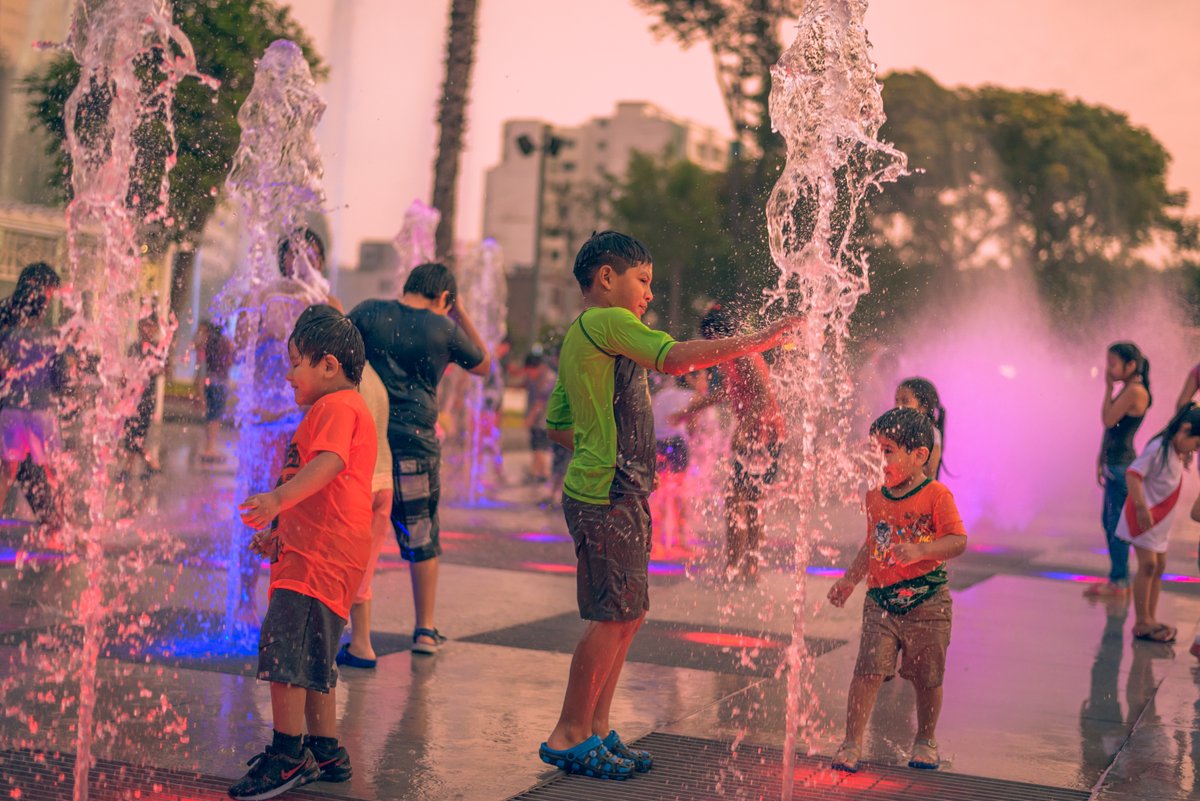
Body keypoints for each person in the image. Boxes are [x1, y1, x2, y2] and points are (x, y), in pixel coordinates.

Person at [538, 231, 803, 779]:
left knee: (628, 616)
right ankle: (568, 732)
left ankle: (598, 726)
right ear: (607, 279)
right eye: (643, 281)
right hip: (609, 495)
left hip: (615, 490)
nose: (649, 295)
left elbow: (558, 425)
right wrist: (754, 341)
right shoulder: (608, 321)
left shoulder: (579, 335)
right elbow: (675, 358)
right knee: (612, 618)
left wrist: (602, 450)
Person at [229, 304, 376, 800]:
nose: (289, 374)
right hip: (319, 551)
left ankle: (288, 755)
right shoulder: (340, 408)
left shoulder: (335, 408)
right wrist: (278, 528)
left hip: (318, 557)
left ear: (329, 365)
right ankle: (327, 750)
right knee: (314, 657)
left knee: (285, 651)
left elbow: (329, 465)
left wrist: (276, 500)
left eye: (296, 363)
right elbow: (315, 481)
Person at [349, 262, 490, 655]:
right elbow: (483, 364)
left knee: (361, 535)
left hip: (369, 442)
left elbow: (337, 348)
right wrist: (457, 313)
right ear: (444, 298)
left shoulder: (369, 312)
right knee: (421, 534)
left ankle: (358, 637)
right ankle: (425, 630)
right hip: (415, 445)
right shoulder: (444, 327)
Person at [827, 407, 968, 774]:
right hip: (881, 601)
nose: (880, 458)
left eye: (888, 450)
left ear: (919, 455)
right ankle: (852, 741)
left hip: (928, 601)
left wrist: (922, 550)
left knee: (927, 675)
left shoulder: (936, 495)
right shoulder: (875, 497)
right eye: (877, 449)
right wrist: (849, 579)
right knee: (868, 671)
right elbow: (872, 544)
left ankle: (925, 738)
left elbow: (957, 541)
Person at [672, 304, 786, 581]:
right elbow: (727, 391)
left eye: (709, 340)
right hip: (753, 436)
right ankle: (739, 566)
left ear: (716, 335)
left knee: (747, 502)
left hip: (764, 436)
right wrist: (691, 411)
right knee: (739, 501)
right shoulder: (731, 356)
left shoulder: (745, 355)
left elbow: (762, 394)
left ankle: (746, 567)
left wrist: (742, 430)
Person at [1114, 404, 1200, 643]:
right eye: (1196, 443)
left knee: (1159, 566)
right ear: (1184, 430)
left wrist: (1187, 453)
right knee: (1149, 565)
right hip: (1144, 517)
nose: (1196, 449)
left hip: (1158, 522)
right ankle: (1141, 621)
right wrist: (1141, 507)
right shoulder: (1157, 449)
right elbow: (1133, 474)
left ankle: (1150, 618)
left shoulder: (1175, 451)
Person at [335, 360, 393, 669]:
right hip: (384, 482)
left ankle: (326, 641)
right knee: (363, 566)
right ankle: (361, 644)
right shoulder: (373, 375)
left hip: (358, 483)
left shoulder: (343, 380)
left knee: (337, 564)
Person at [1086, 342, 1152, 600]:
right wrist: (1100, 457)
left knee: (1117, 526)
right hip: (1115, 464)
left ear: (1131, 365)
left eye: (1113, 363)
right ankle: (1117, 578)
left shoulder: (1135, 391)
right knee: (1110, 523)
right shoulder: (1128, 389)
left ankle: (1120, 582)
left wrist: (1107, 388)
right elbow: (1111, 429)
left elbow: (1108, 419)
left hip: (1122, 465)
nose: (1109, 369)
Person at [0, 262, 62, 521]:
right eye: (49, 291)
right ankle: (61, 526)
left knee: (7, 471)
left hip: (10, 408)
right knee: (54, 470)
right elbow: (58, 378)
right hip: (38, 411)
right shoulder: (48, 335)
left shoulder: (7, 325)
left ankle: (55, 523)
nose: (49, 298)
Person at [650, 374, 700, 556]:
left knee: (658, 491)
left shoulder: (662, 393)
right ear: (692, 379)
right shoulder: (693, 397)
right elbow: (692, 429)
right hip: (677, 445)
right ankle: (681, 540)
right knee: (679, 492)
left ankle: (656, 541)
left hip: (657, 444)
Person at [194, 319, 233, 462]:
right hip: (220, 384)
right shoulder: (225, 343)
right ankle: (210, 448)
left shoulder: (209, 343)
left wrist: (200, 390)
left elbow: (203, 366)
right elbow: (230, 362)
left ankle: (208, 446)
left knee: (210, 416)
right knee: (215, 417)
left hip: (209, 382)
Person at [894, 377, 946, 480]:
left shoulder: (932, 433)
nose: (898, 406)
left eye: (905, 401)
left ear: (923, 407)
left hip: (922, 493)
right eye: (897, 400)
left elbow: (929, 472)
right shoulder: (894, 430)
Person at [525, 353, 557, 486]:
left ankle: (543, 474)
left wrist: (530, 418)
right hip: (544, 420)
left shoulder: (547, 378)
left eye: (529, 370)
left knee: (540, 446)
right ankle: (536, 473)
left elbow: (540, 402)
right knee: (538, 447)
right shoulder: (544, 376)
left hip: (543, 421)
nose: (528, 374)